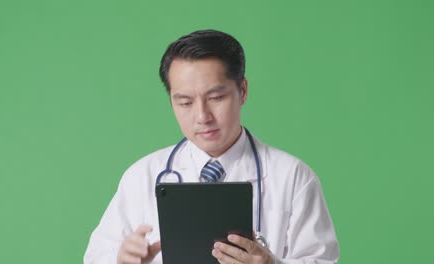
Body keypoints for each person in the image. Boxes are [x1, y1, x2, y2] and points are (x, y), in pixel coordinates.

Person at [84, 29, 340, 264]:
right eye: (185, 102)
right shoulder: (142, 176)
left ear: (243, 90)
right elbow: (94, 257)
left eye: (216, 98)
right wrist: (119, 259)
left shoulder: (293, 177)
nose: (202, 116)